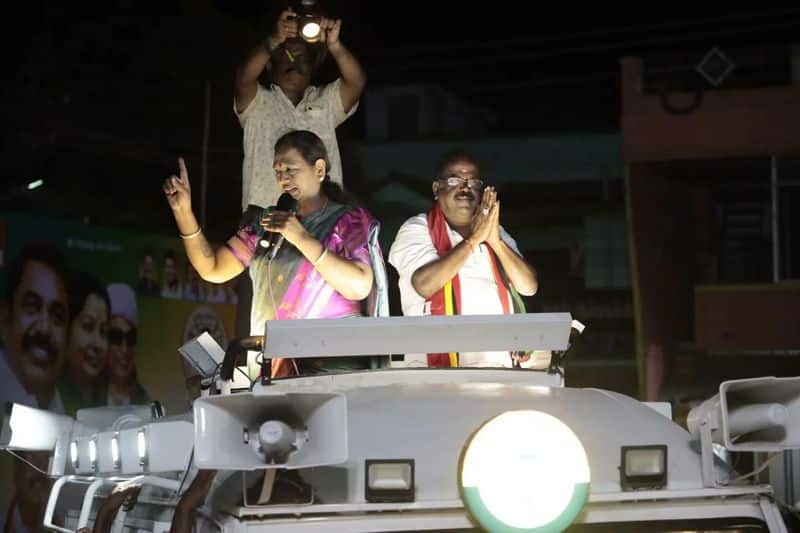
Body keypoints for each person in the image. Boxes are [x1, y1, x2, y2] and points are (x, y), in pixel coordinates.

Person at [163, 130, 387, 377]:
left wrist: (301, 238)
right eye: (278, 172)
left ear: (319, 169)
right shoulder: (266, 223)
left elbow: (359, 286)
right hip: (272, 365)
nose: (284, 179)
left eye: (291, 169)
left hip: (330, 365)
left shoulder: (348, 220)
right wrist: (183, 212)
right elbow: (212, 269)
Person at [388, 151, 539, 368]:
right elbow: (424, 284)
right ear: (436, 189)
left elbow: (528, 286)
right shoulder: (417, 228)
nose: (465, 188)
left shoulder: (496, 232)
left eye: (472, 182)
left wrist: (495, 242)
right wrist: (473, 239)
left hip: (498, 369)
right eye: (454, 180)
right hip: (434, 374)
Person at [234, 6, 366, 211]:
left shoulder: (326, 101)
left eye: (302, 57)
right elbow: (244, 78)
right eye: (286, 54)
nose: (294, 61)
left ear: (312, 67)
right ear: (269, 65)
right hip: (265, 221)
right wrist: (274, 40)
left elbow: (356, 82)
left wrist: (335, 45)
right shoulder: (258, 103)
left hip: (323, 222)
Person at [0, 243, 69, 412]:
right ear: (4, 317)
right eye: (32, 307)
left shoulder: (71, 417)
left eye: (57, 316)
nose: (44, 328)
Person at [58, 272, 110, 416]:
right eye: (87, 326)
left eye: (104, 332)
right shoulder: (46, 398)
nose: (98, 344)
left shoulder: (109, 404)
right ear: (66, 328)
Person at [99, 283, 149, 406]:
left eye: (130, 338)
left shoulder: (144, 402)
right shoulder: (87, 395)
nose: (124, 350)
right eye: (116, 337)